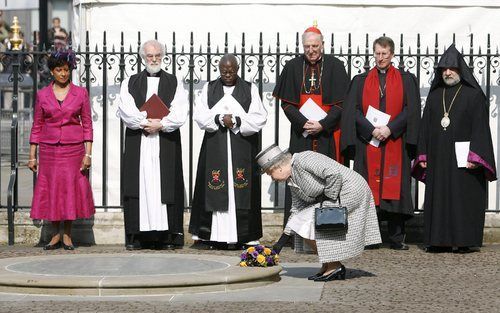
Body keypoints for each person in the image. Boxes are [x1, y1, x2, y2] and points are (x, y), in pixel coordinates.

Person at [412, 44, 497, 253]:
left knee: (462, 197)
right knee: (439, 196)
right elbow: (424, 128)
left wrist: (475, 156)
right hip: (438, 157)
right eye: (443, 69)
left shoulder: (473, 95)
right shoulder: (434, 96)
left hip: (464, 159)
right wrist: (423, 154)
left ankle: (463, 240)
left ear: (460, 69)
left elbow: (480, 129)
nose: (447, 72)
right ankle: (438, 240)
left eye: (451, 68)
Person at [340, 37, 421, 250]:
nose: (381, 58)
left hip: (394, 140)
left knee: (395, 189)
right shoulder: (361, 80)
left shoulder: (406, 79)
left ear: (392, 55)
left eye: (385, 54)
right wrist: (371, 129)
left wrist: (390, 129)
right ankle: (370, 238)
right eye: (377, 53)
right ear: (373, 54)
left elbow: (410, 110)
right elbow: (353, 110)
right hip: (369, 142)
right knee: (369, 189)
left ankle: (396, 238)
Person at [257, 144, 381, 281]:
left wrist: (327, 199)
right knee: (303, 222)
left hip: (351, 190)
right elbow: (296, 211)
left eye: (270, 173)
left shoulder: (304, 159)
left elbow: (333, 173)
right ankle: (328, 265)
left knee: (313, 221)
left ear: (278, 167)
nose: (272, 179)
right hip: (337, 194)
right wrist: (279, 245)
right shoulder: (292, 180)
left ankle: (335, 267)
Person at [273, 23, 350, 226]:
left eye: (315, 46)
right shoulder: (292, 67)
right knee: (299, 181)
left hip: (327, 136)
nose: (311, 50)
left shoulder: (335, 66)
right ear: (302, 46)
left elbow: (342, 104)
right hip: (302, 135)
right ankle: (296, 228)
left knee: (328, 181)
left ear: (322, 45)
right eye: (307, 46)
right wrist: (304, 123)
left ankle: (329, 226)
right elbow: (287, 104)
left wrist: (323, 124)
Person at [189, 54, 267, 250]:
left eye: (232, 70)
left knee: (241, 187)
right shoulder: (209, 88)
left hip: (242, 147)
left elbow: (259, 117)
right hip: (215, 145)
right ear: (219, 68)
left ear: (238, 69)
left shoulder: (250, 89)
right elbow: (199, 115)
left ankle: (245, 236)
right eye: (224, 70)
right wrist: (218, 119)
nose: (228, 74)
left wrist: (238, 121)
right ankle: (211, 235)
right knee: (213, 186)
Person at [117, 39, 188, 250]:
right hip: (139, 142)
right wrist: (145, 122)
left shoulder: (174, 82)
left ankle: (165, 236)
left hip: (165, 140)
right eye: (150, 56)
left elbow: (180, 110)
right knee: (140, 186)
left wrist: (162, 124)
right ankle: (137, 236)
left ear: (163, 56)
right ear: (143, 57)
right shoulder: (130, 82)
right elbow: (125, 109)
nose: (154, 59)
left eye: (158, 55)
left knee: (163, 186)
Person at [28, 49, 94, 250]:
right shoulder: (42, 95)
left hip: (73, 151)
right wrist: (32, 156)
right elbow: (37, 125)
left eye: (66, 70)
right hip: (49, 150)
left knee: (69, 191)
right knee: (52, 191)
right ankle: (55, 235)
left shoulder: (81, 93)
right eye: (59, 70)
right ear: (52, 72)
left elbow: (88, 125)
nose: (63, 74)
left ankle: (67, 235)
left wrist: (88, 153)